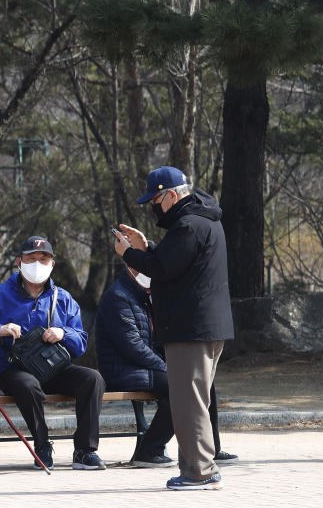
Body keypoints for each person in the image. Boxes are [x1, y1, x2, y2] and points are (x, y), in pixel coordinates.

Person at [113, 165, 234, 490]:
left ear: (169, 195)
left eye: (155, 199)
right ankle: (203, 466)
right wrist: (146, 247)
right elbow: (174, 261)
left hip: (189, 328)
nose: (154, 206)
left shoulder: (188, 226)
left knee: (187, 401)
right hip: (204, 326)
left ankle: (199, 472)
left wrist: (130, 254)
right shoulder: (202, 220)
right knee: (195, 399)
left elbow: (162, 269)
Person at [0, 236, 106, 471]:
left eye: (43, 258)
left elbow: (80, 343)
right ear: (19, 262)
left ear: (52, 264)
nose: (37, 264)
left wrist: (63, 333)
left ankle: (85, 451)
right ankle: (42, 445)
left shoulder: (64, 299)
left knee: (93, 379)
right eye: (31, 258)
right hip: (15, 370)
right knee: (28, 385)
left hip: (55, 368)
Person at [96, 256, 238, 467]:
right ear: (131, 268)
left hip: (146, 368)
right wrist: (168, 367)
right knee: (182, 386)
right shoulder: (118, 297)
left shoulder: (146, 295)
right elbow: (132, 346)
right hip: (124, 370)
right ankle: (149, 450)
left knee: (203, 378)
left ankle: (212, 448)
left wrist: (180, 362)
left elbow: (160, 339)